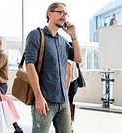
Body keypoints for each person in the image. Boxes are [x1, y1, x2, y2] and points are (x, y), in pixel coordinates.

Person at [24, 2, 82, 133]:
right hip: (45, 100)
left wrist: (73, 36)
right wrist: (38, 97)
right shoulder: (36, 35)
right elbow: (29, 65)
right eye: (61, 12)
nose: (64, 16)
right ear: (49, 14)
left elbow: (78, 59)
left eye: (66, 14)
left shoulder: (64, 41)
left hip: (64, 101)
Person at [0, 37, 23, 133]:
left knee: (0, 108)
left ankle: (15, 129)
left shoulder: (2, 55)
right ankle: (16, 129)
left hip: (0, 85)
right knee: (1, 108)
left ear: (0, 44)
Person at [67, 42, 79, 133]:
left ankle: (69, 125)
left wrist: (65, 90)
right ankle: (70, 124)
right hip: (75, 84)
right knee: (70, 103)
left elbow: (69, 76)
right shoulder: (74, 59)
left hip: (70, 84)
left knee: (67, 104)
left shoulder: (69, 60)